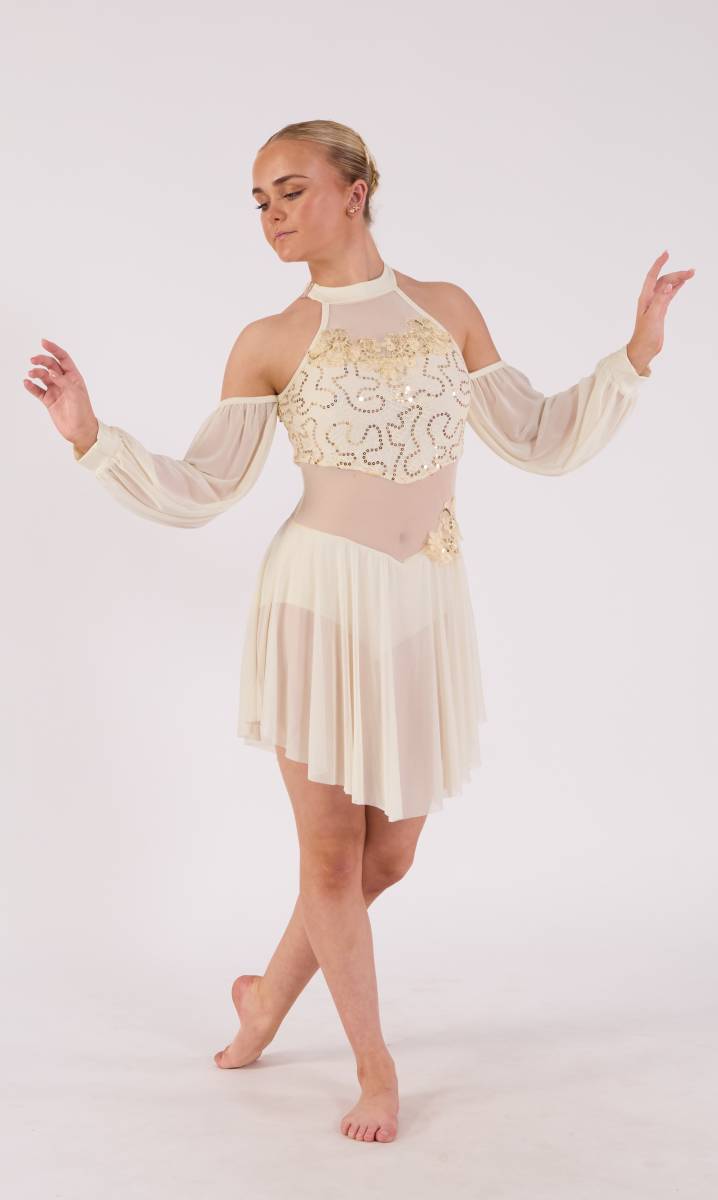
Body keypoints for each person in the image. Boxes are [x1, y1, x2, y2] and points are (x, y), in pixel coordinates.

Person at [23, 119, 694, 1144]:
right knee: (332, 858)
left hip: (422, 607)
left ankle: (262, 1002)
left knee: (389, 858)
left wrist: (636, 353)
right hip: (317, 606)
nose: (272, 216)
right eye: (259, 201)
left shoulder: (446, 310)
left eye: (290, 191)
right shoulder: (269, 341)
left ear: (356, 189)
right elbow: (203, 486)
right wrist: (90, 437)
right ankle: (374, 1067)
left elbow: (535, 436)